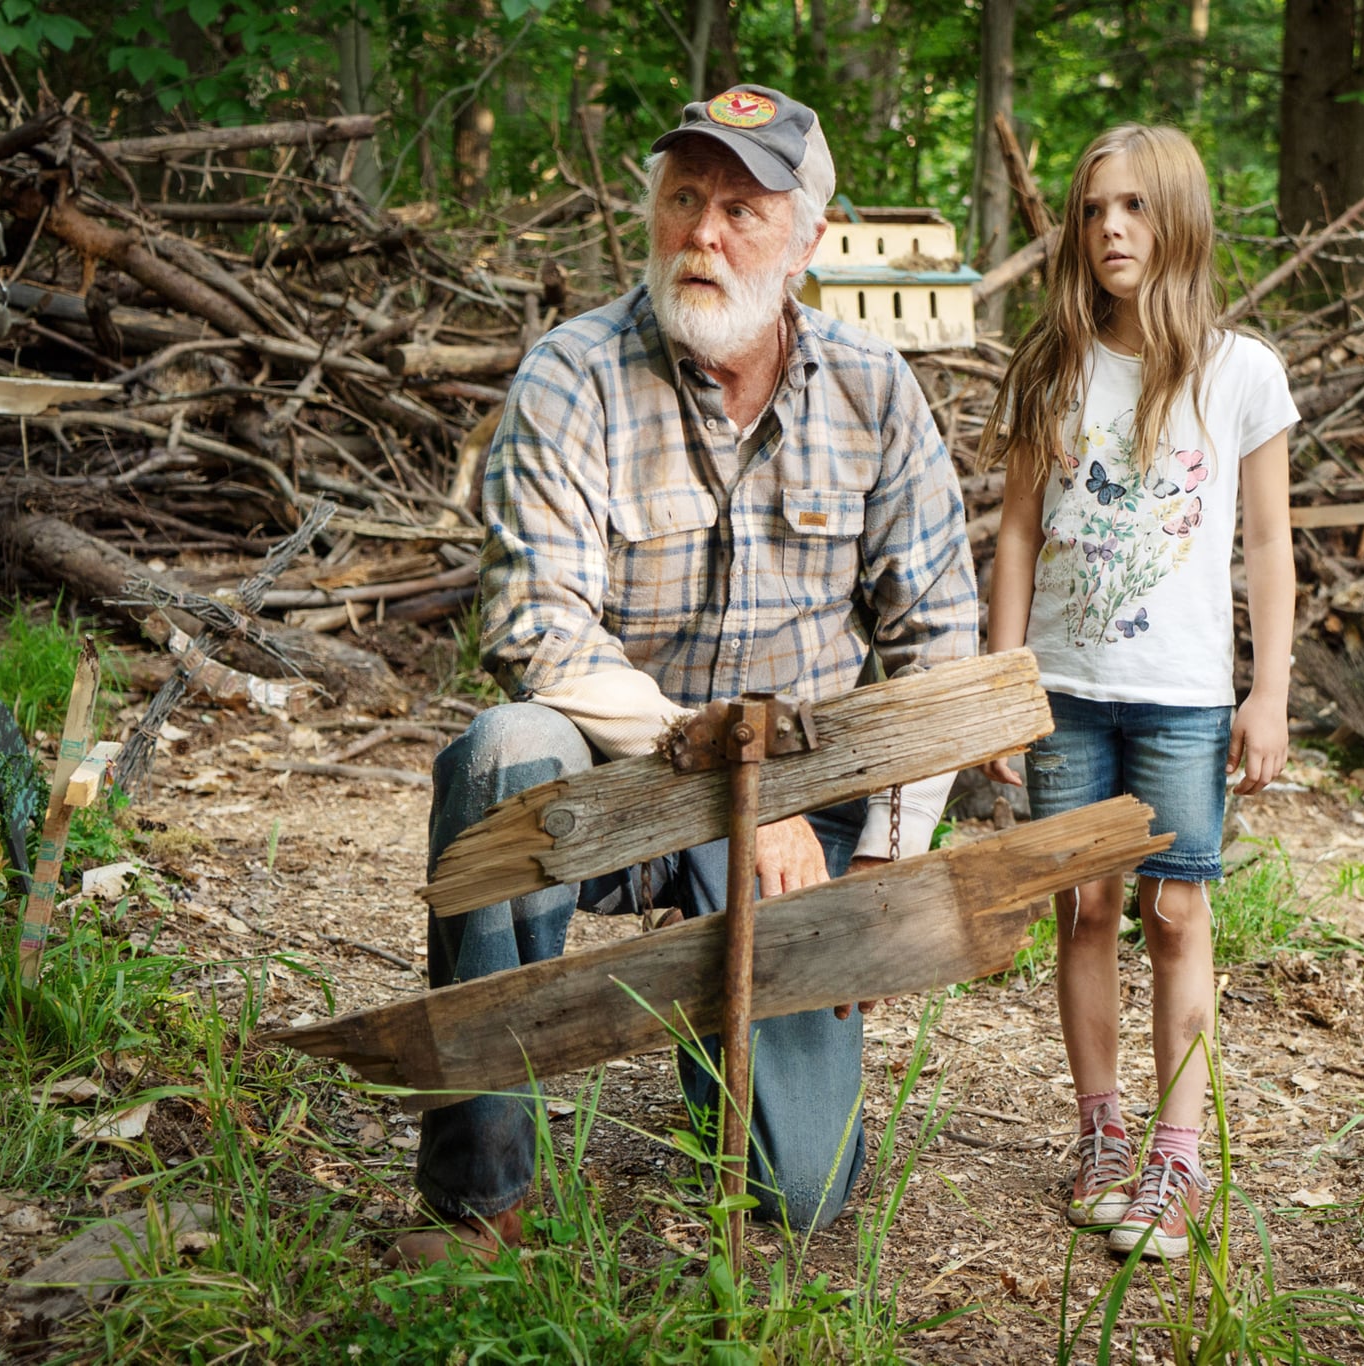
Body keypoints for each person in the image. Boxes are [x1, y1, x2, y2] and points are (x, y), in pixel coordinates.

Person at [390, 85, 977, 1268]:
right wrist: (720, 770)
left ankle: (733, 1051)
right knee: (502, 749)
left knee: (802, 1194)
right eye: (682, 198)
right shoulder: (573, 375)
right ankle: (481, 1192)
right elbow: (535, 625)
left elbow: (940, 642)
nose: (702, 233)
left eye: (741, 210)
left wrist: (881, 864)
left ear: (808, 242)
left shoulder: (873, 390)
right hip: (618, 778)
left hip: (799, 820)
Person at [982, 124, 1297, 1260]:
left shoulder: (1240, 370)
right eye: (1091, 210)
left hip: (1180, 698)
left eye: (1132, 206)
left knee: (1175, 913)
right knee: (1085, 908)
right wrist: (1004, 683)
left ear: (1178, 218)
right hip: (1063, 690)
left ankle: (1176, 1154)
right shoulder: (1054, 364)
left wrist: (1267, 694)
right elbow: (1016, 533)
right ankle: (1101, 1131)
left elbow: (1266, 542)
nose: (1109, 228)